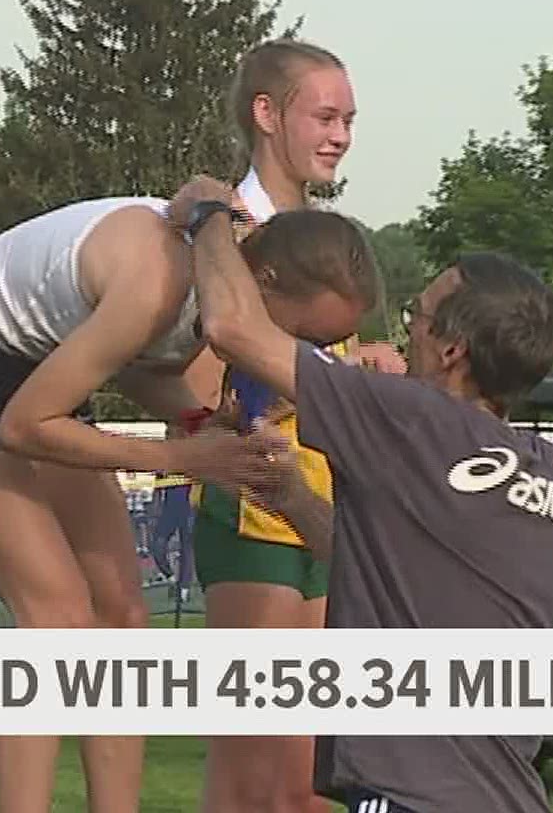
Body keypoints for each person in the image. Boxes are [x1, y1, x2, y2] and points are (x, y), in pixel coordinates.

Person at [0, 198, 362, 813]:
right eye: (305, 337)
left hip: (27, 374)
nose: (306, 360)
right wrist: (187, 457)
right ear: (264, 282)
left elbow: (136, 371)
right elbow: (25, 427)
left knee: (123, 620)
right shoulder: (160, 282)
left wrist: (198, 422)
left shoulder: (214, 280)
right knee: (55, 618)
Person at [173, 175, 553, 813]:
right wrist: (290, 495)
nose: (407, 329)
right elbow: (390, 571)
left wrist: (208, 215)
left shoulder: (412, 421)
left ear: (452, 349)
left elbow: (231, 325)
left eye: (417, 315)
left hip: (415, 798)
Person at [185, 39, 401, 813]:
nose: (341, 134)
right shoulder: (222, 231)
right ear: (266, 114)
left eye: (349, 119)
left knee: (298, 780)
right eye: (325, 115)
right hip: (255, 513)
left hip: (326, 512)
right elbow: (184, 367)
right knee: (263, 783)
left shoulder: (323, 240)